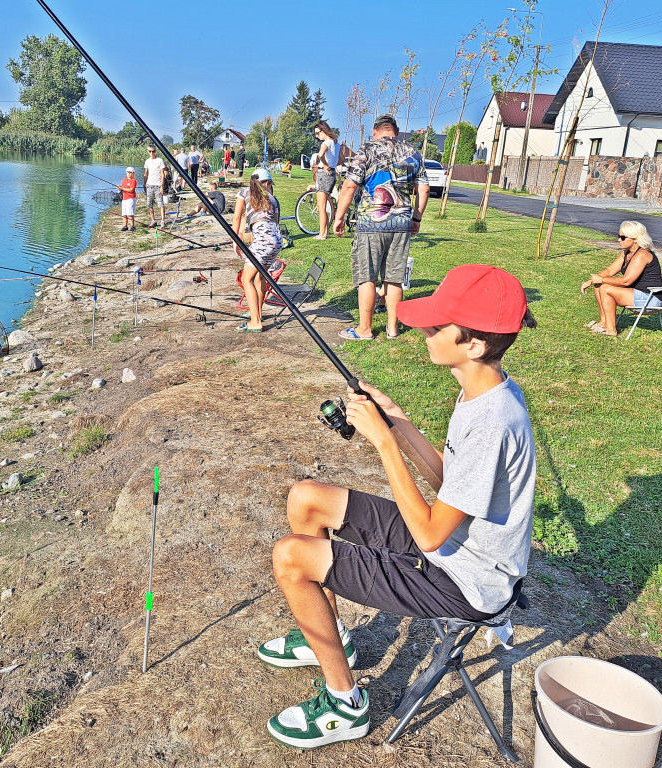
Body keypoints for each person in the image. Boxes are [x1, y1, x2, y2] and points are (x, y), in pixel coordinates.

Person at [259, 264, 537, 749]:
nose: (424, 329)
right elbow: (454, 484)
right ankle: (328, 636)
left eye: (436, 325)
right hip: (452, 544)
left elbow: (429, 535)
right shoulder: (481, 391)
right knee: (306, 499)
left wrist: (384, 444)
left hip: (466, 582)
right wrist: (400, 423)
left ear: (474, 344)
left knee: (290, 556)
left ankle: (344, 704)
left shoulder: (495, 418)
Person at [333, 114, 428, 341]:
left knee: (368, 276)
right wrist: (416, 218)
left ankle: (364, 329)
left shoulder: (367, 150)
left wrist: (338, 217)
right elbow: (423, 190)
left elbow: (348, 186)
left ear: (376, 131)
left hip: (370, 222)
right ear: (395, 131)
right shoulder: (413, 154)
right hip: (401, 222)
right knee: (394, 277)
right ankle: (392, 328)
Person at [581, 220, 662, 336]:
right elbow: (610, 270)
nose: (619, 240)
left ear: (635, 239)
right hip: (638, 294)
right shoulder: (626, 253)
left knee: (605, 288)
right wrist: (592, 280)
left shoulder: (642, 255)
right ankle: (603, 323)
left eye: (623, 237)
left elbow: (626, 281)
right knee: (598, 285)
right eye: (619, 236)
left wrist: (601, 279)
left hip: (650, 299)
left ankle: (611, 330)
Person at [232, 168, 282, 333]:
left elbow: (237, 218)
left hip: (262, 242)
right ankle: (257, 314)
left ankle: (255, 321)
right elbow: (275, 223)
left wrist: (236, 240)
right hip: (276, 241)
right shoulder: (273, 199)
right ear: (266, 183)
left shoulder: (244, 193)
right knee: (261, 278)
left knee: (247, 280)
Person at [310, 121, 340, 240]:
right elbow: (341, 159)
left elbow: (320, 155)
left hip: (324, 173)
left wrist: (325, 165)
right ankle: (326, 231)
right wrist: (332, 165)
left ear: (323, 130)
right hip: (331, 174)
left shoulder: (325, 143)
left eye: (318, 133)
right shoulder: (336, 144)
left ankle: (322, 234)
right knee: (324, 204)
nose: (317, 136)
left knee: (321, 206)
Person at [143, 146, 167, 227]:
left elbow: (162, 174)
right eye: (149, 151)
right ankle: (153, 220)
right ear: (148, 151)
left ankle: (163, 220)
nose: (151, 153)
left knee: (161, 204)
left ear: (155, 151)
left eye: (153, 151)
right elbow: (146, 174)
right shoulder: (147, 161)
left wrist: (162, 186)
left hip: (158, 185)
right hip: (149, 185)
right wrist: (144, 184)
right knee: (149, 204)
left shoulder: (160, 160)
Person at [118, 167, 138, 231]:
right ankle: (125, 226)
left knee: (130, 213)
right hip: (124, 198)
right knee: (124, 214)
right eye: (128, 172)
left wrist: (122, 188)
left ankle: (132, 226)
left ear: (133, 173)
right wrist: (120, 188)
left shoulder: (133, 180)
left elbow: (131, 190)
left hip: (131, 199)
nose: (129, 174)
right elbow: (123, 188)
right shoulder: (124, 180)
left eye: (130, 173)